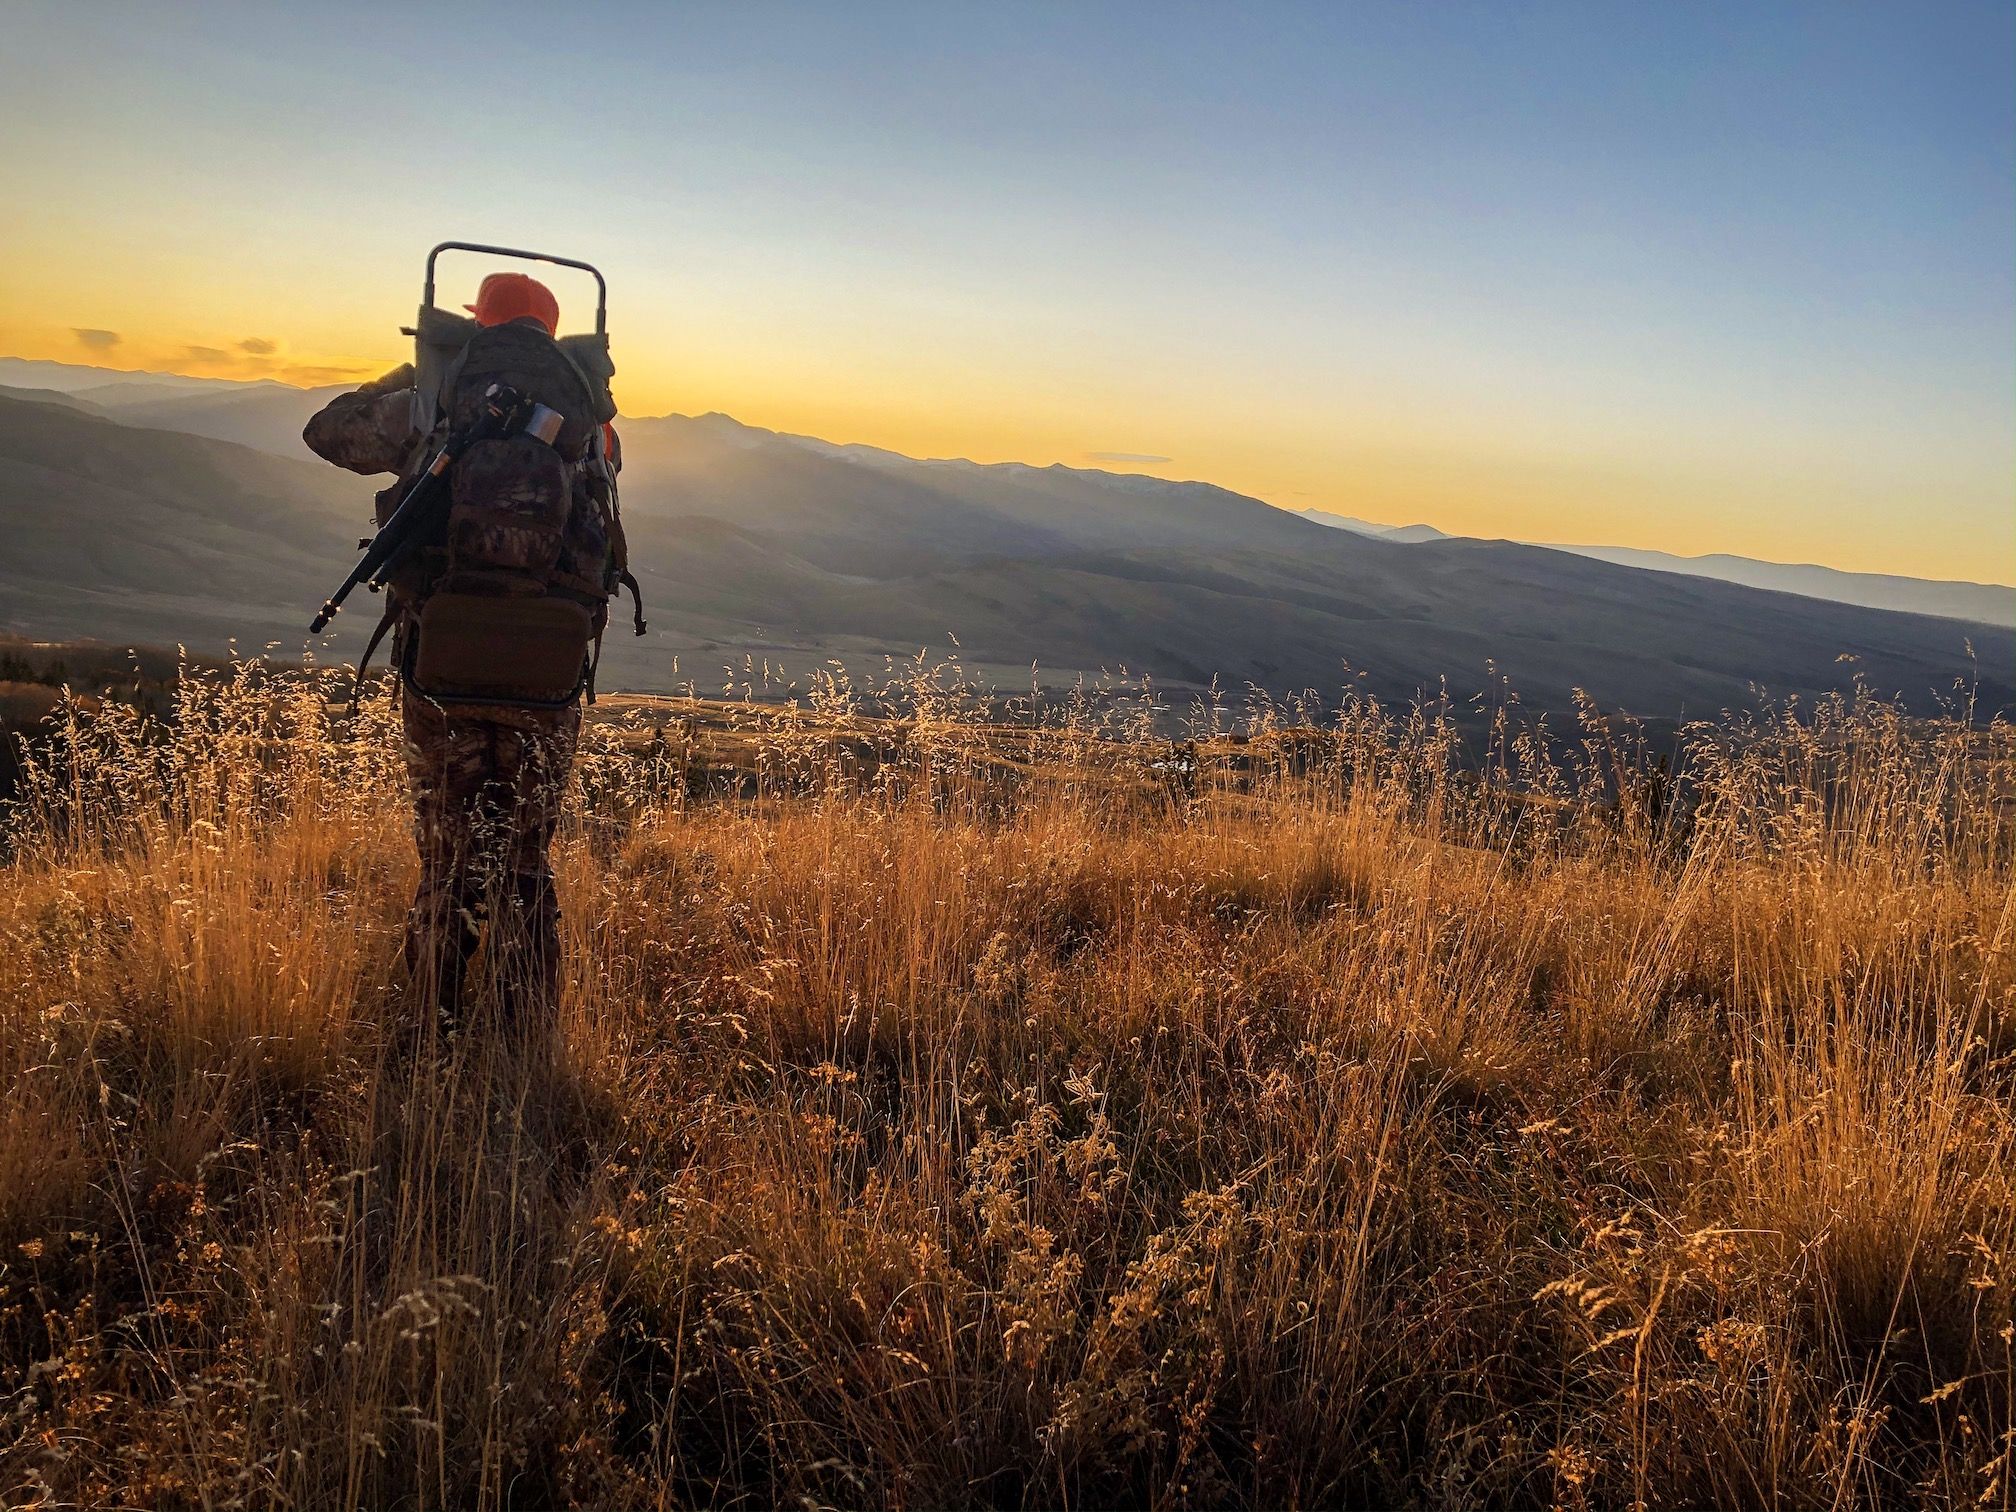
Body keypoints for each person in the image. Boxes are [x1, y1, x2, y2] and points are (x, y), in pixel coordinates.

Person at [304, 271, 622, 1029]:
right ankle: (522, 1043)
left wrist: (419, 373)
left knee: (449, 860)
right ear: (554, 332)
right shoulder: (591, 422)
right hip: (547, 677)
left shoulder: (431, 407)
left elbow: (324, 431)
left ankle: (430, 1030)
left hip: (439, 666)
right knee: (525, 863)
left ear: (477, 325)